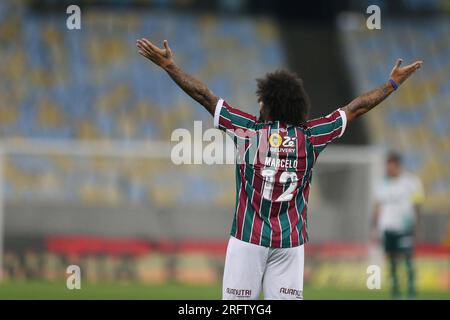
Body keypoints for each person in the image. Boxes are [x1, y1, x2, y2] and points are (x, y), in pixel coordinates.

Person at [136, 37, 423, 299]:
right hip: (290, 242)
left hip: (248, 239)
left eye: (262, 100)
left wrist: (169, 66)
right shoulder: (311, 137)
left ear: (269, 105)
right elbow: (355, 108)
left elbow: (204, 96)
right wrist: (391, 84)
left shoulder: (247, 130)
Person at [372, 152, 425, 299]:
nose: (388, 169)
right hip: (387, 228)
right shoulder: (382, 184)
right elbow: (377, 207)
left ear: (398, 165)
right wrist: (375, 228)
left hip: (405, 227)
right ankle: (396, 292)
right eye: (387, 166)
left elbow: (417, 205)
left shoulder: (411, 182)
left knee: (408, 258)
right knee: (392, 260)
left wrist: (417, 226)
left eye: (391, 166)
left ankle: (411, 291)